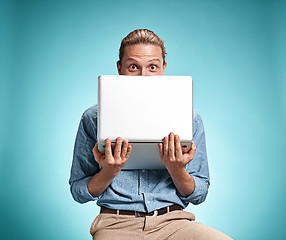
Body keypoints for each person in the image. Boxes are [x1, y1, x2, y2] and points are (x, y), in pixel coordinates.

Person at [69, 29, 232, 240]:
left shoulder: (190, 118)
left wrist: (177, 169)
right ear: (120, 68)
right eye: (133, 67)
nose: (143, 76)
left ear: (163, 68)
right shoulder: (93, 118)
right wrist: (109, 171)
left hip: (173, 223)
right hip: (115, 225)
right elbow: (78, 190)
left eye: (152, 67)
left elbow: (200, 193)